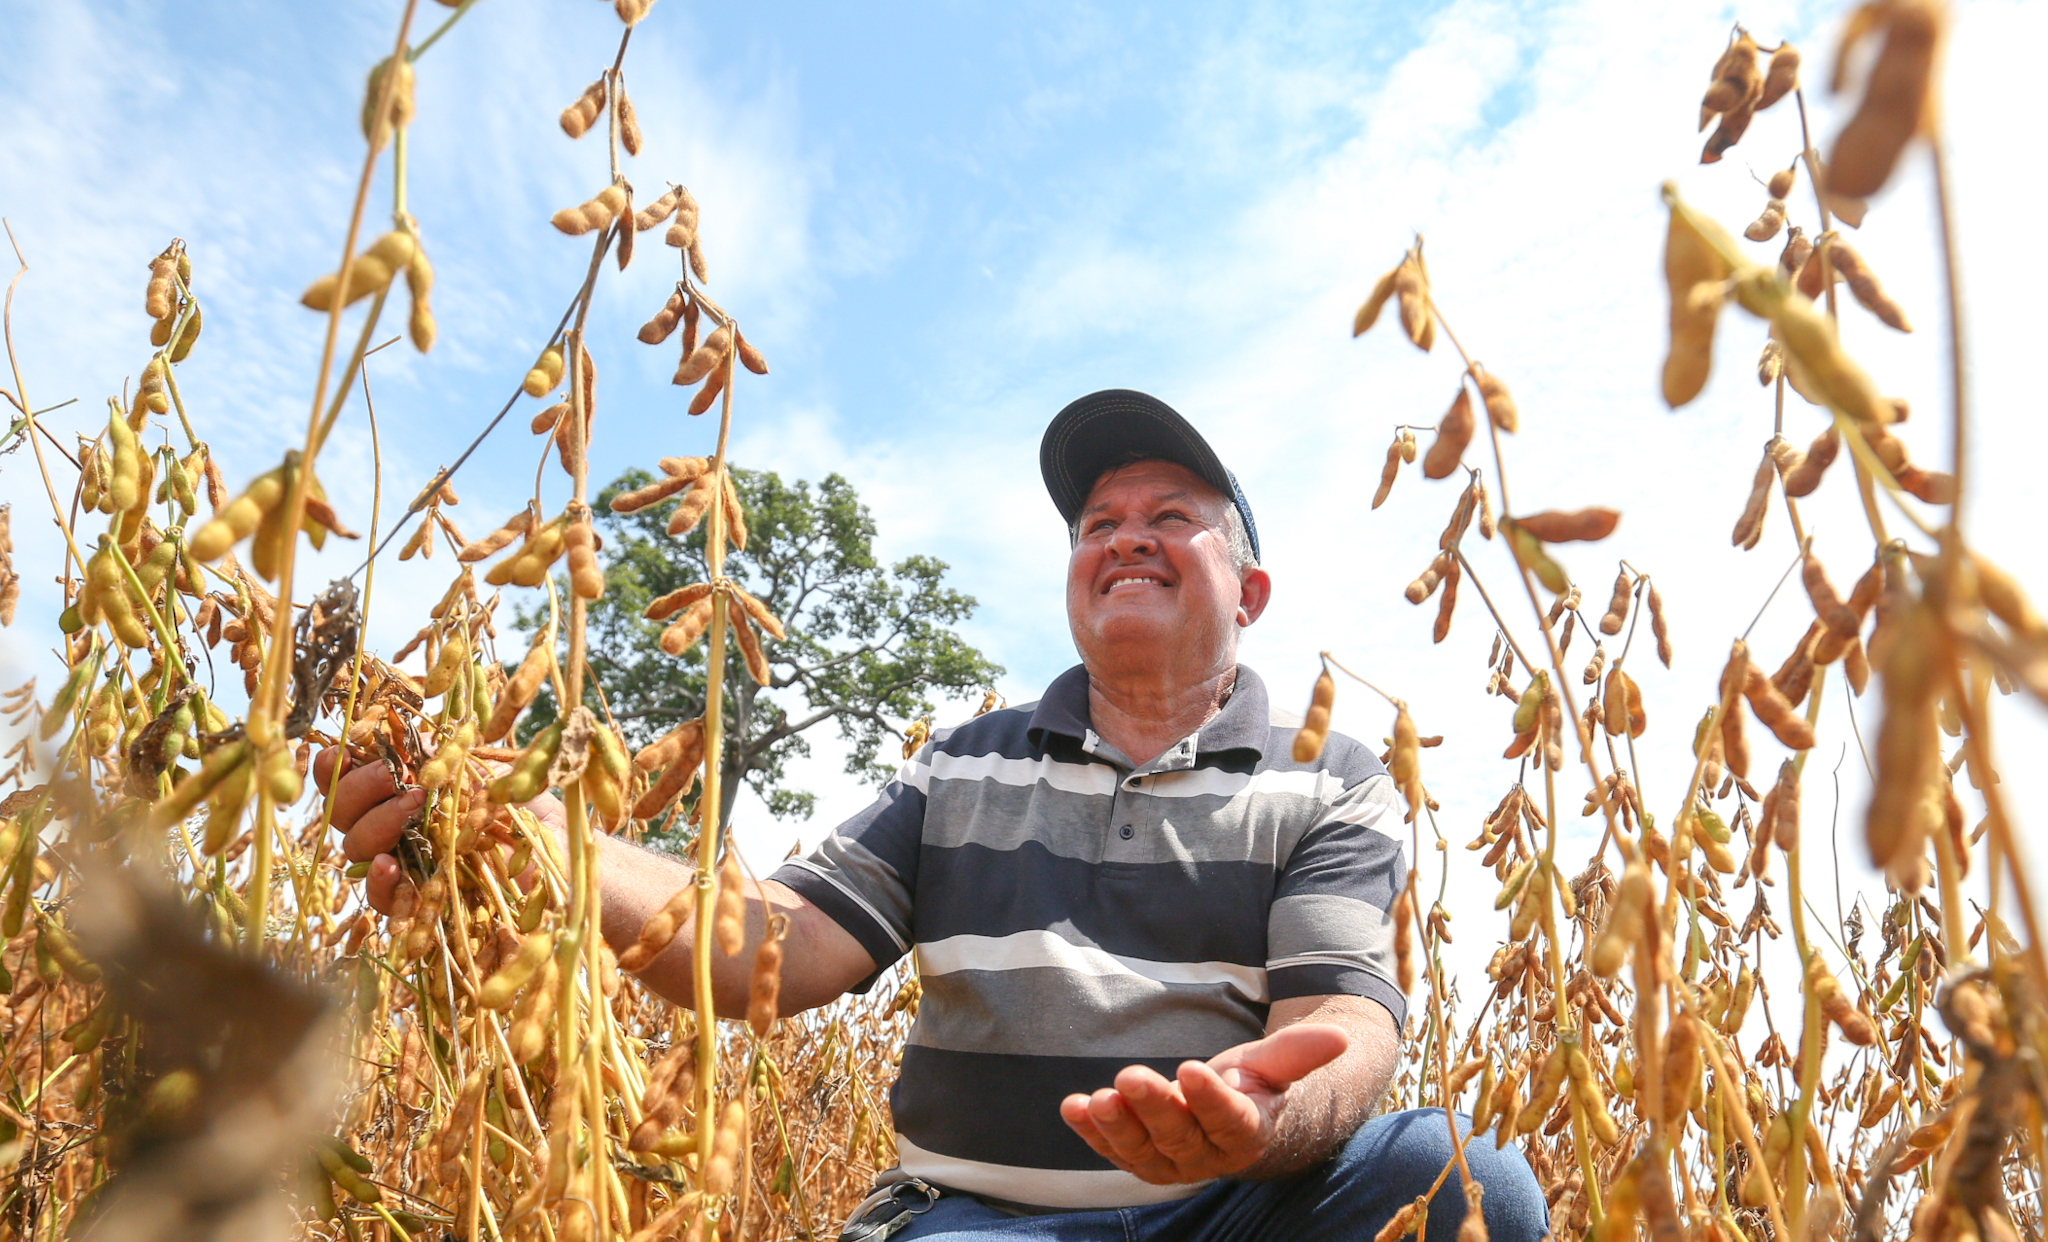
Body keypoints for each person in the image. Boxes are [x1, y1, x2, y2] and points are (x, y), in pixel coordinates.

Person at [319, 390, 1548, 1242]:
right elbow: (772, 944)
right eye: (1096, 525)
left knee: (1467, 1183)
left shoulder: (1330, 774)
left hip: (1229, 1215)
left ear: (1250, 586)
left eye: (1170, 517)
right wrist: (540, 837)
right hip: (981, 1223)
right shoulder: (960, 764)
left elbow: (1342, 1014)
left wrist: (1268, 1114)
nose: (1124, 538)